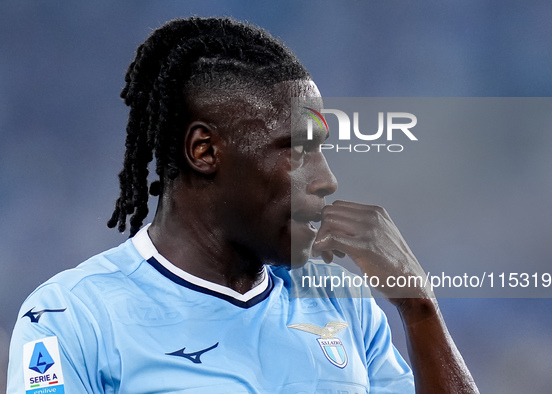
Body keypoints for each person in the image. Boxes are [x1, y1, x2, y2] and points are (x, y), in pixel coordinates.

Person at [8, 16, 478, 393]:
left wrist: (419, 309)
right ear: (204, 151)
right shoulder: (71, 317)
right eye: (296, 150)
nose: (327, 180)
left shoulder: (344, 304)